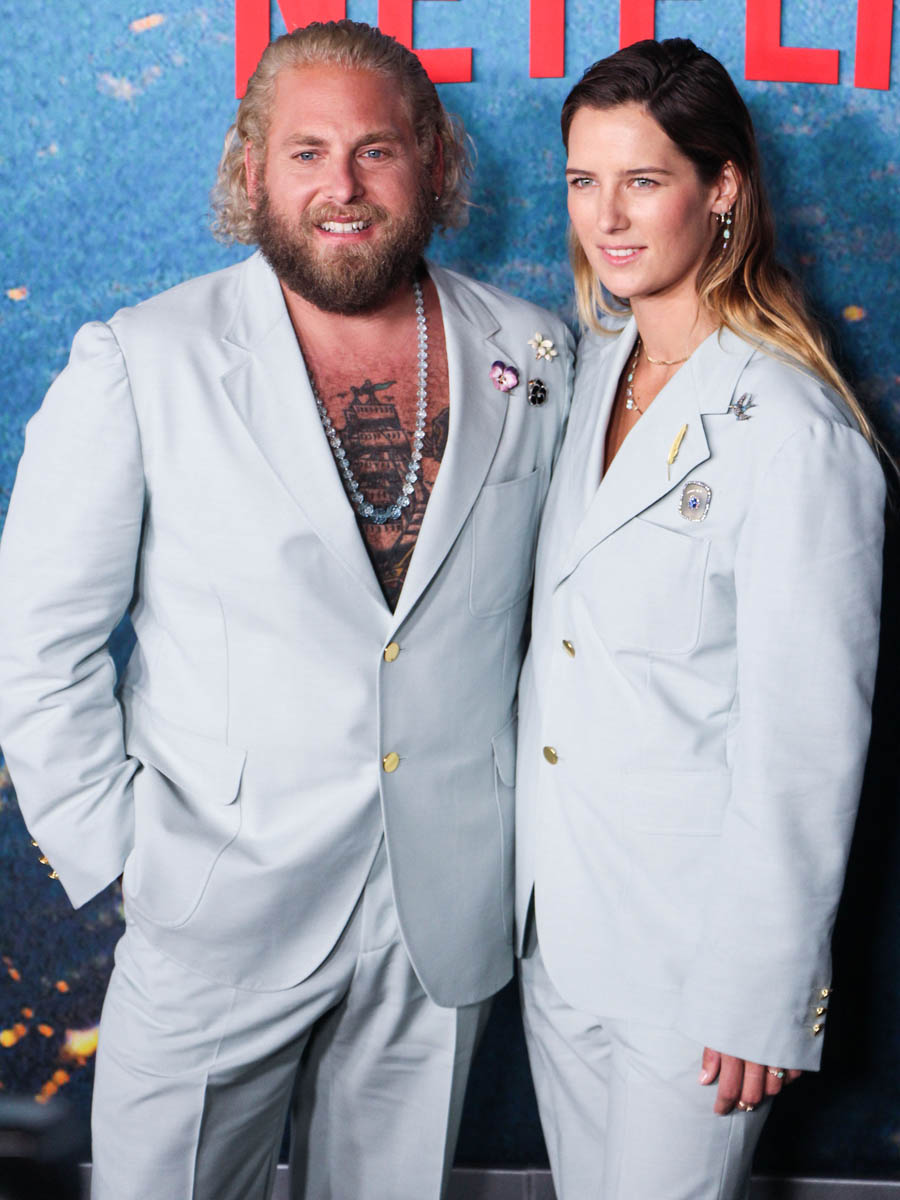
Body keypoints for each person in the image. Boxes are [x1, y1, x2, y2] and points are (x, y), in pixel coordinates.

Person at [0, 20, 573, 1200]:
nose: (342, 186)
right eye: (307, 152)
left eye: (376, 150)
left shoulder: (535, 351)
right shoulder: (141, 360)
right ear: (251, 167)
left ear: (432, 162)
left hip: (440, 906)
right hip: (215, 899)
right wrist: (126, 856)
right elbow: (37, 642)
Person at [515, 37, 885, 1200]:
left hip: (696, 964)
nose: (608, 217)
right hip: (563, 930)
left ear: (722, 187)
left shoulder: (796, 433)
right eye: (584, 181)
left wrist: (765, 986)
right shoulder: (592, 370)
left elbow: (805, 742)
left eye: (644, 180)